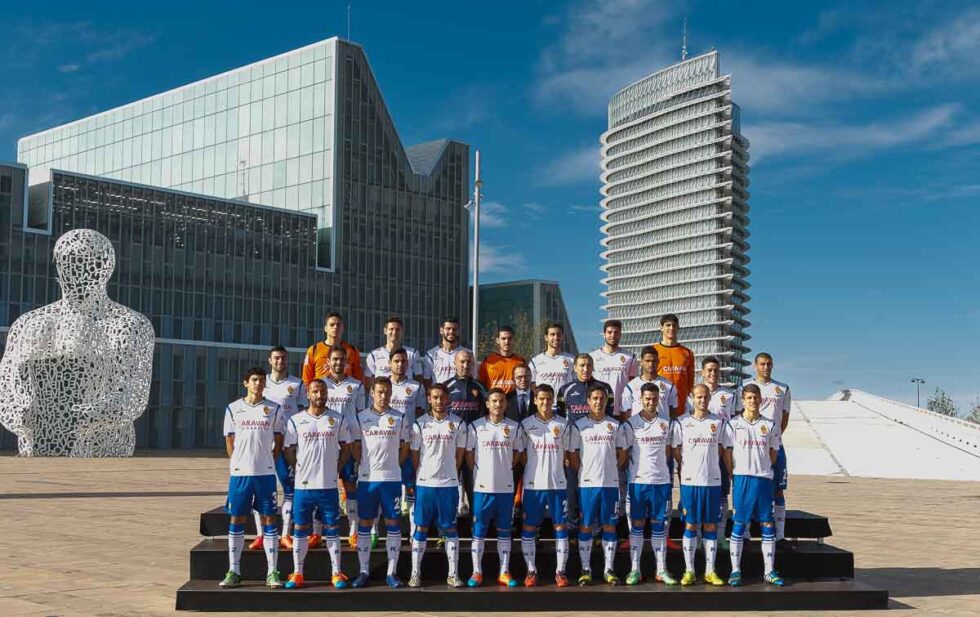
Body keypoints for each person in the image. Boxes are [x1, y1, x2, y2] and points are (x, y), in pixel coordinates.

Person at [219, 368, 285, 589]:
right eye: (254, 380)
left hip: (265, 475)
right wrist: (239, 462)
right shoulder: (233, 409)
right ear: (245, 383)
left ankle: (272, 572)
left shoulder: (274, 409)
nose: (258, 383)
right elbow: (230, 442)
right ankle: (234, 570)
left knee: (269, 520)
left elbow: (278, 439)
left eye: (261, 380)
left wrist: (268, 460)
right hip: (240, 476)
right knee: (237, 519)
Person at [282, 379, 351, 590]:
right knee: (300, 529)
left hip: (328, 486)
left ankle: (336, 573)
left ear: (327, 394)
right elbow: (288, 450)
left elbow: (346, 448)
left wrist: (336, 468)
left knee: (332, 529)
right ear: (308, 395)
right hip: (303, 487)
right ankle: (298, 573)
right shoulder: (295, 420)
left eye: (322, 391)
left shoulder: (337, 419)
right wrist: (301, 467)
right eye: (315, 391)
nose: (319, 395)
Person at [350, 378, 411, 589]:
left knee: (393, 524)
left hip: (391, 480)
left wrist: (393, 465)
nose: (383, 396)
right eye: (380, 392)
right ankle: (363, 570)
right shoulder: (361, 418)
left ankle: (391, 573)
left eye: (387, 392)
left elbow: (404, 449)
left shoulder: (400, 418)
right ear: (372, 393)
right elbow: (356, 448)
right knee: (365, 524)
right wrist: (365, 466)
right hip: (367, 481)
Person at [408, 383, 468, 588]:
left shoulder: (459, 424)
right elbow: (415, 458)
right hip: (425, 484)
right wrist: (424, 475)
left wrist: (449, 473)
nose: (439, 401)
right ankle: (415, 572)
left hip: (449, 484)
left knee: (450, 527)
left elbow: (459, 458)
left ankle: (453, 574)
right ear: (429, 399)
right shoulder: (419, 424)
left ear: (448, 399)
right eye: (435, 397)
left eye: (442, 397)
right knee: (421, 527)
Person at [725, 384, 784, 587]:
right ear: (743, 400)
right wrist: (734, 473)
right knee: (739, 524)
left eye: (755, 397)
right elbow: (727, 453)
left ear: (761, 400)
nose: (752, 401)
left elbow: (773, 453)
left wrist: (763, 468)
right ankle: (735, 570)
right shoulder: (733, 424)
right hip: (742, 479)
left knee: (767, 524)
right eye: (748, 397)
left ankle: (769, 571)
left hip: (763, 479)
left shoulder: (770, 425)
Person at [568, 386, 626, 586]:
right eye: (594, 398)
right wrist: (585, 472)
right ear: (588, 401)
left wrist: (610, 469)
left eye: (601, 398)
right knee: (585, 525)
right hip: (587, 485)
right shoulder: (579, 426)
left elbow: (622, 454)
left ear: (606, 401)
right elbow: (573, 456)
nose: (598, 401)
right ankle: (586, 569)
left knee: (609, 525)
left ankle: (608, 570)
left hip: (610, 485)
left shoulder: (615, 425)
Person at [671, 384, 729, 586]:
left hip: (712, 481)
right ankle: (689, 571)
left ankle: (710, 571)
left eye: (705, 397)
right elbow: (676, 449)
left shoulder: (719, 422)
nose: (702, 400)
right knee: (691, 524)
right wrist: (687, 466)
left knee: (711, 525)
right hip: (690, 482)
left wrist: (710, 463)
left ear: (709, 398)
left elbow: (722, 448)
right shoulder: (681, 422)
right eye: (698, 397)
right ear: (692, 398)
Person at [620, 383, 677, 586]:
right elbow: (624, 454)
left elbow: (670, 451)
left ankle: (661, 569)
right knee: (636, 525)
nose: (651, 402)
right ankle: (635, 569)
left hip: (660, 482)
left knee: (658, 526)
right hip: (638, 483)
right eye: (647, 399)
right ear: (641, 400)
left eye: (654, 399)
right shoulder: (630, 424)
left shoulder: (667, 423)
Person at [518, 385, 572, 588]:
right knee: (530, 527)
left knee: (560, 526)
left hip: (558, 484)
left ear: (554, 400)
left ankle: (560, 571)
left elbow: (568, 454)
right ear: (535, 400)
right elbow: (522, 455)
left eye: (549, 399)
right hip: (533, 485)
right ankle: (531, 570)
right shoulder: (525, 425)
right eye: (541, 399)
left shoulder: (564, 424)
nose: (545, 402)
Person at [466, 389, 521, 588]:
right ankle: (476, 571)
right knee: (479, 530)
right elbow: (469, 456)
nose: (498, 404)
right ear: (488, 404)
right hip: (483, 489)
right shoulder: (476, 426)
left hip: (505, 489)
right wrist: (482, 473)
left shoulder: (514, 427)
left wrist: (504, 468)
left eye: (501, 401)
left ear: (506, 404)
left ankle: (504, 572)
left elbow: (517, 454)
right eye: (494, 401)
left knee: (505, 531)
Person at [556, 354, 613, 536]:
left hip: (597, 447)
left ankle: (595, 532)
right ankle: (573, 530)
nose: (585, 369)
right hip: (573, 448)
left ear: (593, 366)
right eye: (581, 365)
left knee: (596, 492)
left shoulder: (605, 388)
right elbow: (560, 419)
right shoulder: (565, 389)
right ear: (574, 367)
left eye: (588, 365)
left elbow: (609, 417)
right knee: (572, 493)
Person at [739, 352, 792, 546]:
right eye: (762, 364)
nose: (766, 367)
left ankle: (779, 536)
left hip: (774, 445)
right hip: (751, 447)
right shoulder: (744, 387)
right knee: (748, 489)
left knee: (778, 490)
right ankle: (744, 534)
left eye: (769, 364)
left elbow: (784, 418)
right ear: (755, 366)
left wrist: (773, 438)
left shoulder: (782, 388)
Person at [259, 346, 309, 550]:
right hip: (264, 444)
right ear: (270, 360)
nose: (280, 361)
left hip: (288, 444)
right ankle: (262, 535)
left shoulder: (297, 384)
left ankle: (286, 533)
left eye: (283, 358)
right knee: (262, 491)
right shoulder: (262, 383)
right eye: (276, 358)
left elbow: (305, 411)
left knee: (289, 489)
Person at [322, 345, 367, 549]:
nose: (339, 363)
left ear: (347, 363)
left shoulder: (357, 386)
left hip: (349, 442)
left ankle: (353, 529)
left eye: (342, 360)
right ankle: (317, 531)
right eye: (335, 359)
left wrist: (359, 441)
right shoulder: (319, 385)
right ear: (328, 362)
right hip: (325, 442)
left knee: (350, 485)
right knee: (323, 484)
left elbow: (361, 415)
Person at [388, 348, 428, 532]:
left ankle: (413, 529)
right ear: (389, 363)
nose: (400, 364)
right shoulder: (382, 386)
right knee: (387, 484)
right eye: (396, 361)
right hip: (386, 442)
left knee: (411, 484)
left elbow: (420, 414)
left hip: (408, 443)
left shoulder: (415, 387)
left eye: (403, 361)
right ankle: (377, 530)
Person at [700, 356, 738, 546]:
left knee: (723, 493)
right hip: (701, 453)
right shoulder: (695, 395)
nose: (713, 373)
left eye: (716, 370)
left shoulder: (730, 394)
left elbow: (736, 422)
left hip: (723, 450)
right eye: (709, 370)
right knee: (700, 494)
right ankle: (699, 537)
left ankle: (722, 534)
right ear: (702, 372)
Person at [445, 349, 487, 515]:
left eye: (469, 362)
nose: (465, 365)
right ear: (454, 363)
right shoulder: (446, 387)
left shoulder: (482, 388)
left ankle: (476, 529)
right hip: (452, 446)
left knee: (474, 488)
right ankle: (446, 529)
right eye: (462, 361)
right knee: (449, 487)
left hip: (474, 447)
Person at [589, 319, 638, 417]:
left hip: (622, 411)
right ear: (604, 334)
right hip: (599, 409)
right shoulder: (592, 357)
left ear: (620, 335)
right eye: (609, 332)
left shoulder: (630, 357)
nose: (612, 335)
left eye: (616, 332)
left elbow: (633, 385)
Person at [303, 311, 364, 384]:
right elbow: (306, 380)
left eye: (338, 325)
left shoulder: (352, 350)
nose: (335, 327)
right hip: (321, 393)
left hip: (345, 393)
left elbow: (359, 378)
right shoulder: (313, 350)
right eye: (332, 325)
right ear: (325, 328)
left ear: (343, 328)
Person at [364, 316, 426, 388]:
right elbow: (368, 380)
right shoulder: (374, 355)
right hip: (383, 396)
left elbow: (418, 377)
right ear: (385, 331)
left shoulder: (412, 353)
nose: (394, 332)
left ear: (402, 332)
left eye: (398, 330)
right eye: (391, 329)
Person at [654, 314, 695, 419]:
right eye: (668, 325)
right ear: (661, 328)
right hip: (659, 407)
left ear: (678, 328)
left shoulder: (687, 353)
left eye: (674, 325)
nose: (671, 328)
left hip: (681, 408)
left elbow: (690, 383)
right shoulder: (653, 351)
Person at [621, 346, 677, 421]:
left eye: (653, 361)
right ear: (641, 362)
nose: (651, 364)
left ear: (658, 362)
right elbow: (625, 411)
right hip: (638, 430)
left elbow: (673, 410)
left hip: (662, 430)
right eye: (647, 361)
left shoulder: (669, 385)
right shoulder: (630, 386)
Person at [528, 322, 575, 409]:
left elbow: (576, 383)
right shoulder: (535, 361)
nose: (556, 337)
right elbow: (532, 384)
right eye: (552, 334)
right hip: (543, 407)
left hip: (565, 406)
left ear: (562, 337)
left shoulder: (572, 360)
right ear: (546, 337)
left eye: (558, 334)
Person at [426, 317, 474, 385]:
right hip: (440, 394)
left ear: (459, 331)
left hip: (461, 394)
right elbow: (427, 380)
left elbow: (473, 377)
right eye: (448, 329)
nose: (451, 332)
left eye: (455, 329)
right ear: (441, 330)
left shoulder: (468, 354)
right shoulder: (430, 355)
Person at [478, 325, 526, 393]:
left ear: (514, 340)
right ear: (497, 340)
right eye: (503, 338)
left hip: (513, 402)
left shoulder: (520, 361)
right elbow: (481, 384)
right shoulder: (488, 361)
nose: (507, 342)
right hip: (495, 401)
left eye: (510, 338)